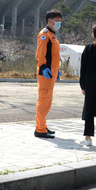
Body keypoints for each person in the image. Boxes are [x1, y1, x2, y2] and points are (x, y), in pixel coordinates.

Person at [34, 9, 63, 139]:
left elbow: (54, 55)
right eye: (56, 21)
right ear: (49, 21)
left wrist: (57, 70)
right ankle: (39, 129)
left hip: (51, 72)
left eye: (60, 21)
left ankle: (43, 125)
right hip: (45, 72)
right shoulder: (44, 34)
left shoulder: (52, 35)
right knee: (44, 99)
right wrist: (44, 66)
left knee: (47, 101)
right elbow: (41, 54)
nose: (58, 23)